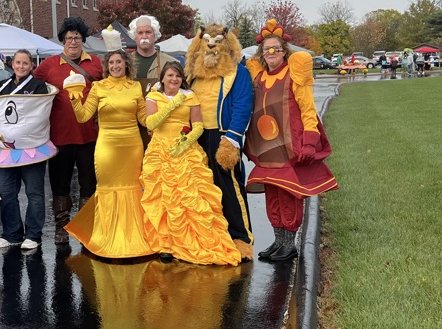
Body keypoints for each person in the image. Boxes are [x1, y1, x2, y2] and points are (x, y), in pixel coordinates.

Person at [244, 20, 338, 262]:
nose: (271, 53)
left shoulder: (293, 75)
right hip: (267, 148)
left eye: (276, 49)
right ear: (261, 53)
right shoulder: (259, 77)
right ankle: (278, 241)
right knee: (272, 194)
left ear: (284, 50)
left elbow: (307, 108)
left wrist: (309, 140)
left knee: (288, 194)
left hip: (288, 145)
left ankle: (290, 243)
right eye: (267, 50)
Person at [141, 61, 242, 265]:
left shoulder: (190, 96)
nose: (174, 79)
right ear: (162, 78)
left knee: (190, 197)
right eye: (170, 75)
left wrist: (185, 142)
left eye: (178, 76)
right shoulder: (153, 96)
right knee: (164, 198)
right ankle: (166, 245)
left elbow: (198, 126)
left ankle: (196, 240)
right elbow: (150, 123)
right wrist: (173, 103)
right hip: (160, 151)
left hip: (184, 150)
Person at [62, 45, 153, 258]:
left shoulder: (134, 87)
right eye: (111, 63)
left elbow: (143, 119)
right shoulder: (98, 87)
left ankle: (134, 236)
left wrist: (163, 111)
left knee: (131, 188)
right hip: (107, 146)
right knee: (107, 188)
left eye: (118, 62)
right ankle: (105, 236)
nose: (115, 66)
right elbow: (83, 117)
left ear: (126, 64)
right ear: (106, 67)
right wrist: (74, 97)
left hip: (131, 146)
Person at [185, 23, 254, 260]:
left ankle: (241, 237)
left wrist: (233, 138)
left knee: (229, 186)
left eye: (217, 40)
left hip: (223, 135)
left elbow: (243, 105)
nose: (212, 44)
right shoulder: (192, 72)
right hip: (196, 136)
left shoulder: (238, 71)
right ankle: (210, 236)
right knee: (200, 188)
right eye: (207, 39)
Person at [33, 17, 103, 243]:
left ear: (83, 40)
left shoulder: (96, 64)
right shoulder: (49, 65)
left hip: (89, 135)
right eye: (69, 38)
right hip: (59, 136)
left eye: (77, 37)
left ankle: (87, 226)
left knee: (89, 184)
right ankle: (61, 226)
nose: (73, 41)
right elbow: (30, 88)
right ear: (63, 40)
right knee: (59, 184)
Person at [0, 49, 54, 251]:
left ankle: (33, 234)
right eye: (18, 63)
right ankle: (12, 233)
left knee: (34, 192)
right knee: (7, 192)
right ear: (12, 64)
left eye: (25, 63)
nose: (21, 66)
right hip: (6, 149)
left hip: (32, 148)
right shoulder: (2, 86)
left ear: (31, 65)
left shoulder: (38, 86)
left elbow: (38, 114)